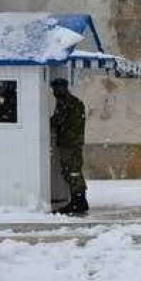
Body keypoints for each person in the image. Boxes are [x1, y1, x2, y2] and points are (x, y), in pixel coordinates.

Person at [50, 78, 88, 215]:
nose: (54, 92)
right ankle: (80, 200)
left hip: (69, 143)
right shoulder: (76, 102)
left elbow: (57, 121)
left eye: (55, 89)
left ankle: (78, 202)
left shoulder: (65, 103)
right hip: (75, 142)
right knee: (75, 171)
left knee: (71, 172)